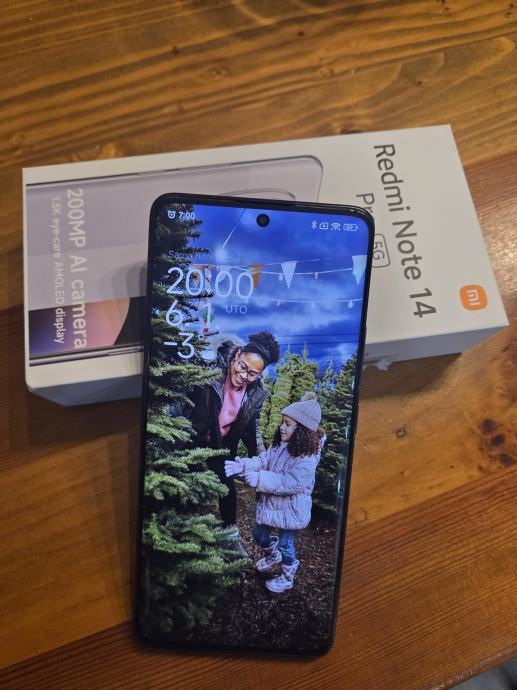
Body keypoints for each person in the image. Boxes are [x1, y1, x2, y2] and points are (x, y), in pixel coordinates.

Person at [188, 331, 280, 554]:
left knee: (227, 486)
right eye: (242, 366)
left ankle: (230, 537)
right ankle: (183, 530)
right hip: (193, 437)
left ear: (260, 374)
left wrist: (263, 460)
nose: (243, 375)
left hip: (221, 446)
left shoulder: (255, 392)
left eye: (252, 373)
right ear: (237, 354)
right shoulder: (211, 370)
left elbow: (253, 429)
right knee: (184, 482)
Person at [225, 393, 326, 593]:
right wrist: (243, 465)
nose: (282, 427)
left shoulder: (307, 458)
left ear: (302, 430)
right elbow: (264, 460)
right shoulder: (281, 445)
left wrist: (260, 479)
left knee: (286, 544)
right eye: (282, 422)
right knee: (259, 534)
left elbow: (290, 483)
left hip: (292, 510)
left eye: (288, 424)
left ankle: (287, 577)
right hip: (273, 504)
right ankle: (273, 556)